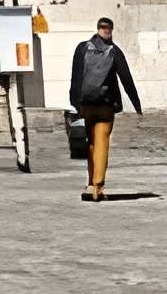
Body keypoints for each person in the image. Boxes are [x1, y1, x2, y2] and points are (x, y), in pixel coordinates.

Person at [69, 15, 142, 199]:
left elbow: (76, 76)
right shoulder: (114, 51)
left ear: (97, 29)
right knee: (102, 142)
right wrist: (137, 104)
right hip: (105, 107)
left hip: (86, 105)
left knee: (91, 144)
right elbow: (126, 79)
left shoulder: (82, 48)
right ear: (110, 30)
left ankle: (90, 182)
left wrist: (75, 103)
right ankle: (98, 187)